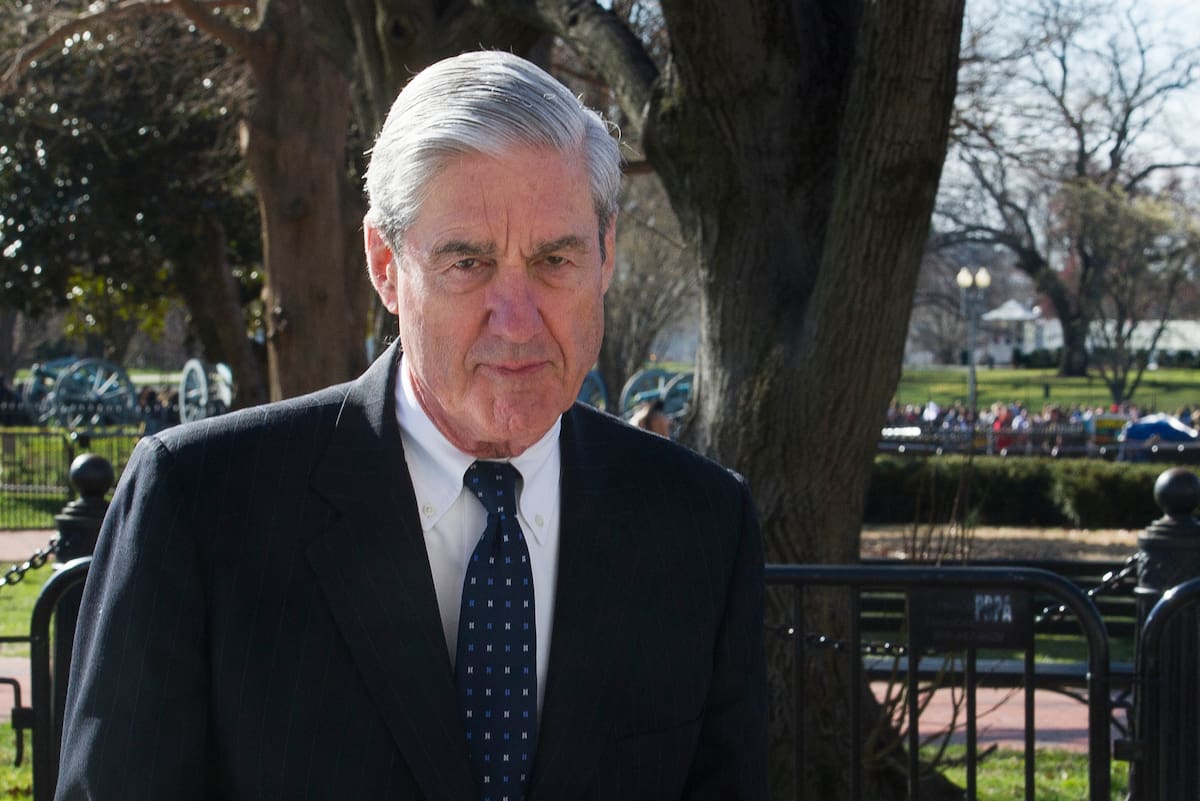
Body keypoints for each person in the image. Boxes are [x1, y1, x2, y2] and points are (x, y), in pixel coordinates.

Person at [55, 51, 767, 801]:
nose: (517, 321)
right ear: (385, 265)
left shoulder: (701, 523)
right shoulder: (202, 505)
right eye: (469, 264)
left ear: (607, 254)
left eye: (555, 260)